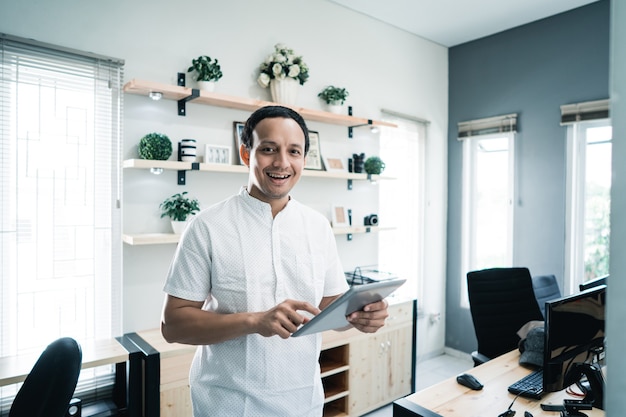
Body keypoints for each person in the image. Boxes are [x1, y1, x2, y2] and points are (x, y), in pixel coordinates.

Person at [161, 105, 389, 416]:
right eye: (268, 149)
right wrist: (255, 321)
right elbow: (173, 325)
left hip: (303, 401)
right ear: (246, 154)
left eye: (294, 151)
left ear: (303, 160)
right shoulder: (207, 226)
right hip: (226, 405)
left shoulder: (318, 226)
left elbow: (328, 303)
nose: (282, 162)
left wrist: (361, 315)